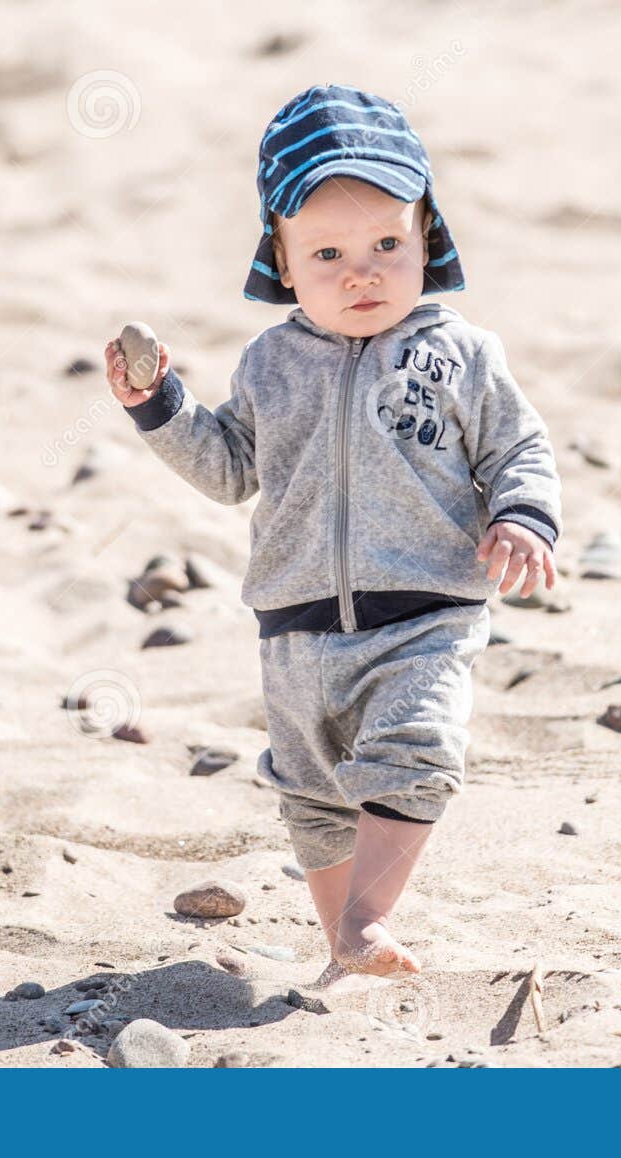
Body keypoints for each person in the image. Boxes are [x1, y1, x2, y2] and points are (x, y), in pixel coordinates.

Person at [104, 83, 562, 982]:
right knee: (310, 794)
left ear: (428, 235)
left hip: (426, 610)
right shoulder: (271, 363)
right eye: (328, 252)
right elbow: (232, 466)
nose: (363, 272)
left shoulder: (461, 354)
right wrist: (160, 409)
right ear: (280, 258)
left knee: (416, 754)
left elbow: (520, 444)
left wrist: (521, 512)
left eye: (388, 244)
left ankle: (367, 923)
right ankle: (344, 944)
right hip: (296, 626)